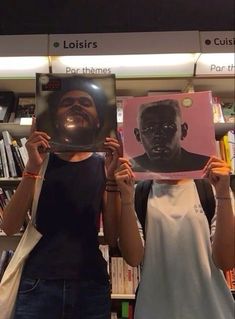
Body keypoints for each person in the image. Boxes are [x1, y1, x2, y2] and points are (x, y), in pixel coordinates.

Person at [1, 119, 122, 319]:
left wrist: (112, 180)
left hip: (89, 286)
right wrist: (32, 167)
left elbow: (111, 236)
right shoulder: (40, 161)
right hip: (39, 284)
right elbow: (9, 226)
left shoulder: (102, 164)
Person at [115, 156, 235, 319]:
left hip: (212, 310)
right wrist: (126, 200)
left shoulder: (212, 189)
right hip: (154, 311)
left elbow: (226, 260)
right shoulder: (139, 193)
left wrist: (223, 195)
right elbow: (133, 258)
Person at [36, 74, 116, 152]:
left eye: (85, 103)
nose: (76, 105)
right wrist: (34, 163)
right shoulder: (43, 158)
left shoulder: (107, 160)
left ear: (98, 121)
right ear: (56, 121)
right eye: (67, 103)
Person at [131, 99, 210, 172]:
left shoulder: (205, 166)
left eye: (168, 126)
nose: (158, 134)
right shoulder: (132, 168)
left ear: (183, 131)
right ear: (138, 136)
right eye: (150, 127)